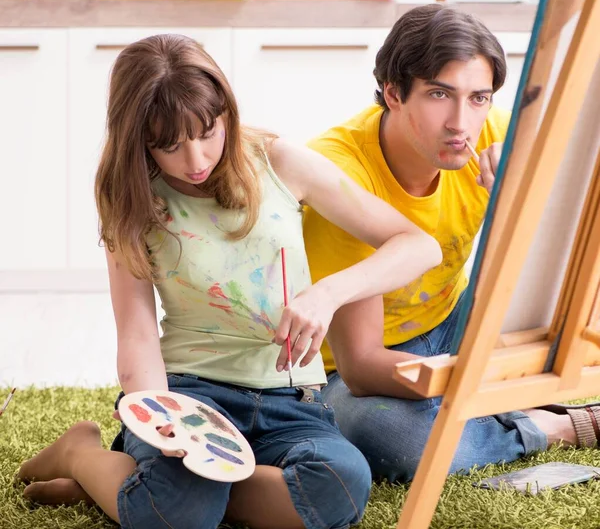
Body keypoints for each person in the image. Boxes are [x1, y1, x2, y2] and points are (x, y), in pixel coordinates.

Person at [18, 33, 442, 529]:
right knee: (182, 507)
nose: (196, 160)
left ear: (226, 112)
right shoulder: (131, 197)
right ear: (140, 140)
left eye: (208, 132)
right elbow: (135, 333)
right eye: (169, 145)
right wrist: (164, 418)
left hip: (289, 399)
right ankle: (81, 453)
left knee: (343, 483)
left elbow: (418, 245)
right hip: (189, 390)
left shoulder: (277, 161)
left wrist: (327, 295)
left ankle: (145, 489)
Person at [302, 3, 600, 484]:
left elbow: (550, 270)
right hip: (350, 370)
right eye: (440, 94)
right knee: (387, 435)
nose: (461, 122)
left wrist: (516, 201)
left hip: (453, 321)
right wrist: (477, 375)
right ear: (394, 93)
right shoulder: (341, 176)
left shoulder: (494, 135)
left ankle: (488, 408)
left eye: (478, 98)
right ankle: (552, 424)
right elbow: (361, 365)